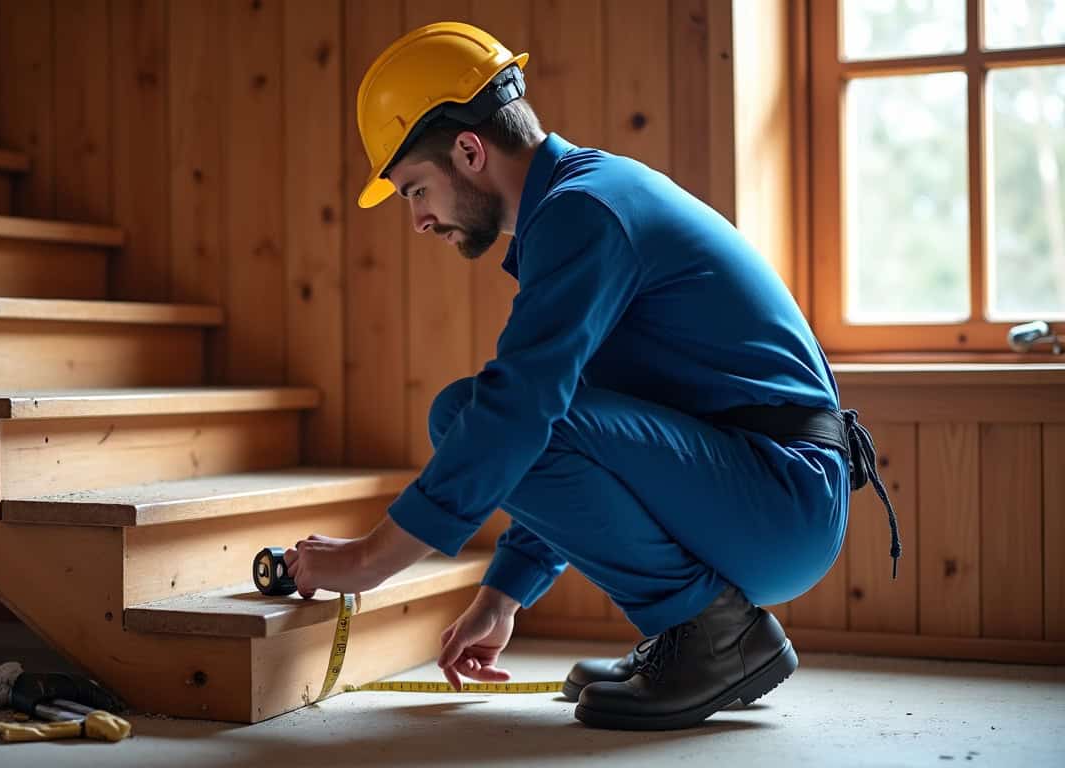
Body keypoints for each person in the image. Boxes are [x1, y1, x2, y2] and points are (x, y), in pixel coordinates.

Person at [282, 21, 898, 731]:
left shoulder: (585, 211)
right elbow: (576, 423)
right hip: (771, 493)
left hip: (780, 499)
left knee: (468, 414)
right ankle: (696, 632)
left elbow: (521, 411)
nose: (418, 220)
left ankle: (715, 636)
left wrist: (368, 561)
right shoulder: (583, 202)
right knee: (507, 413)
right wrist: (503, 594)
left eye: (415, 191)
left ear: (469, 150)